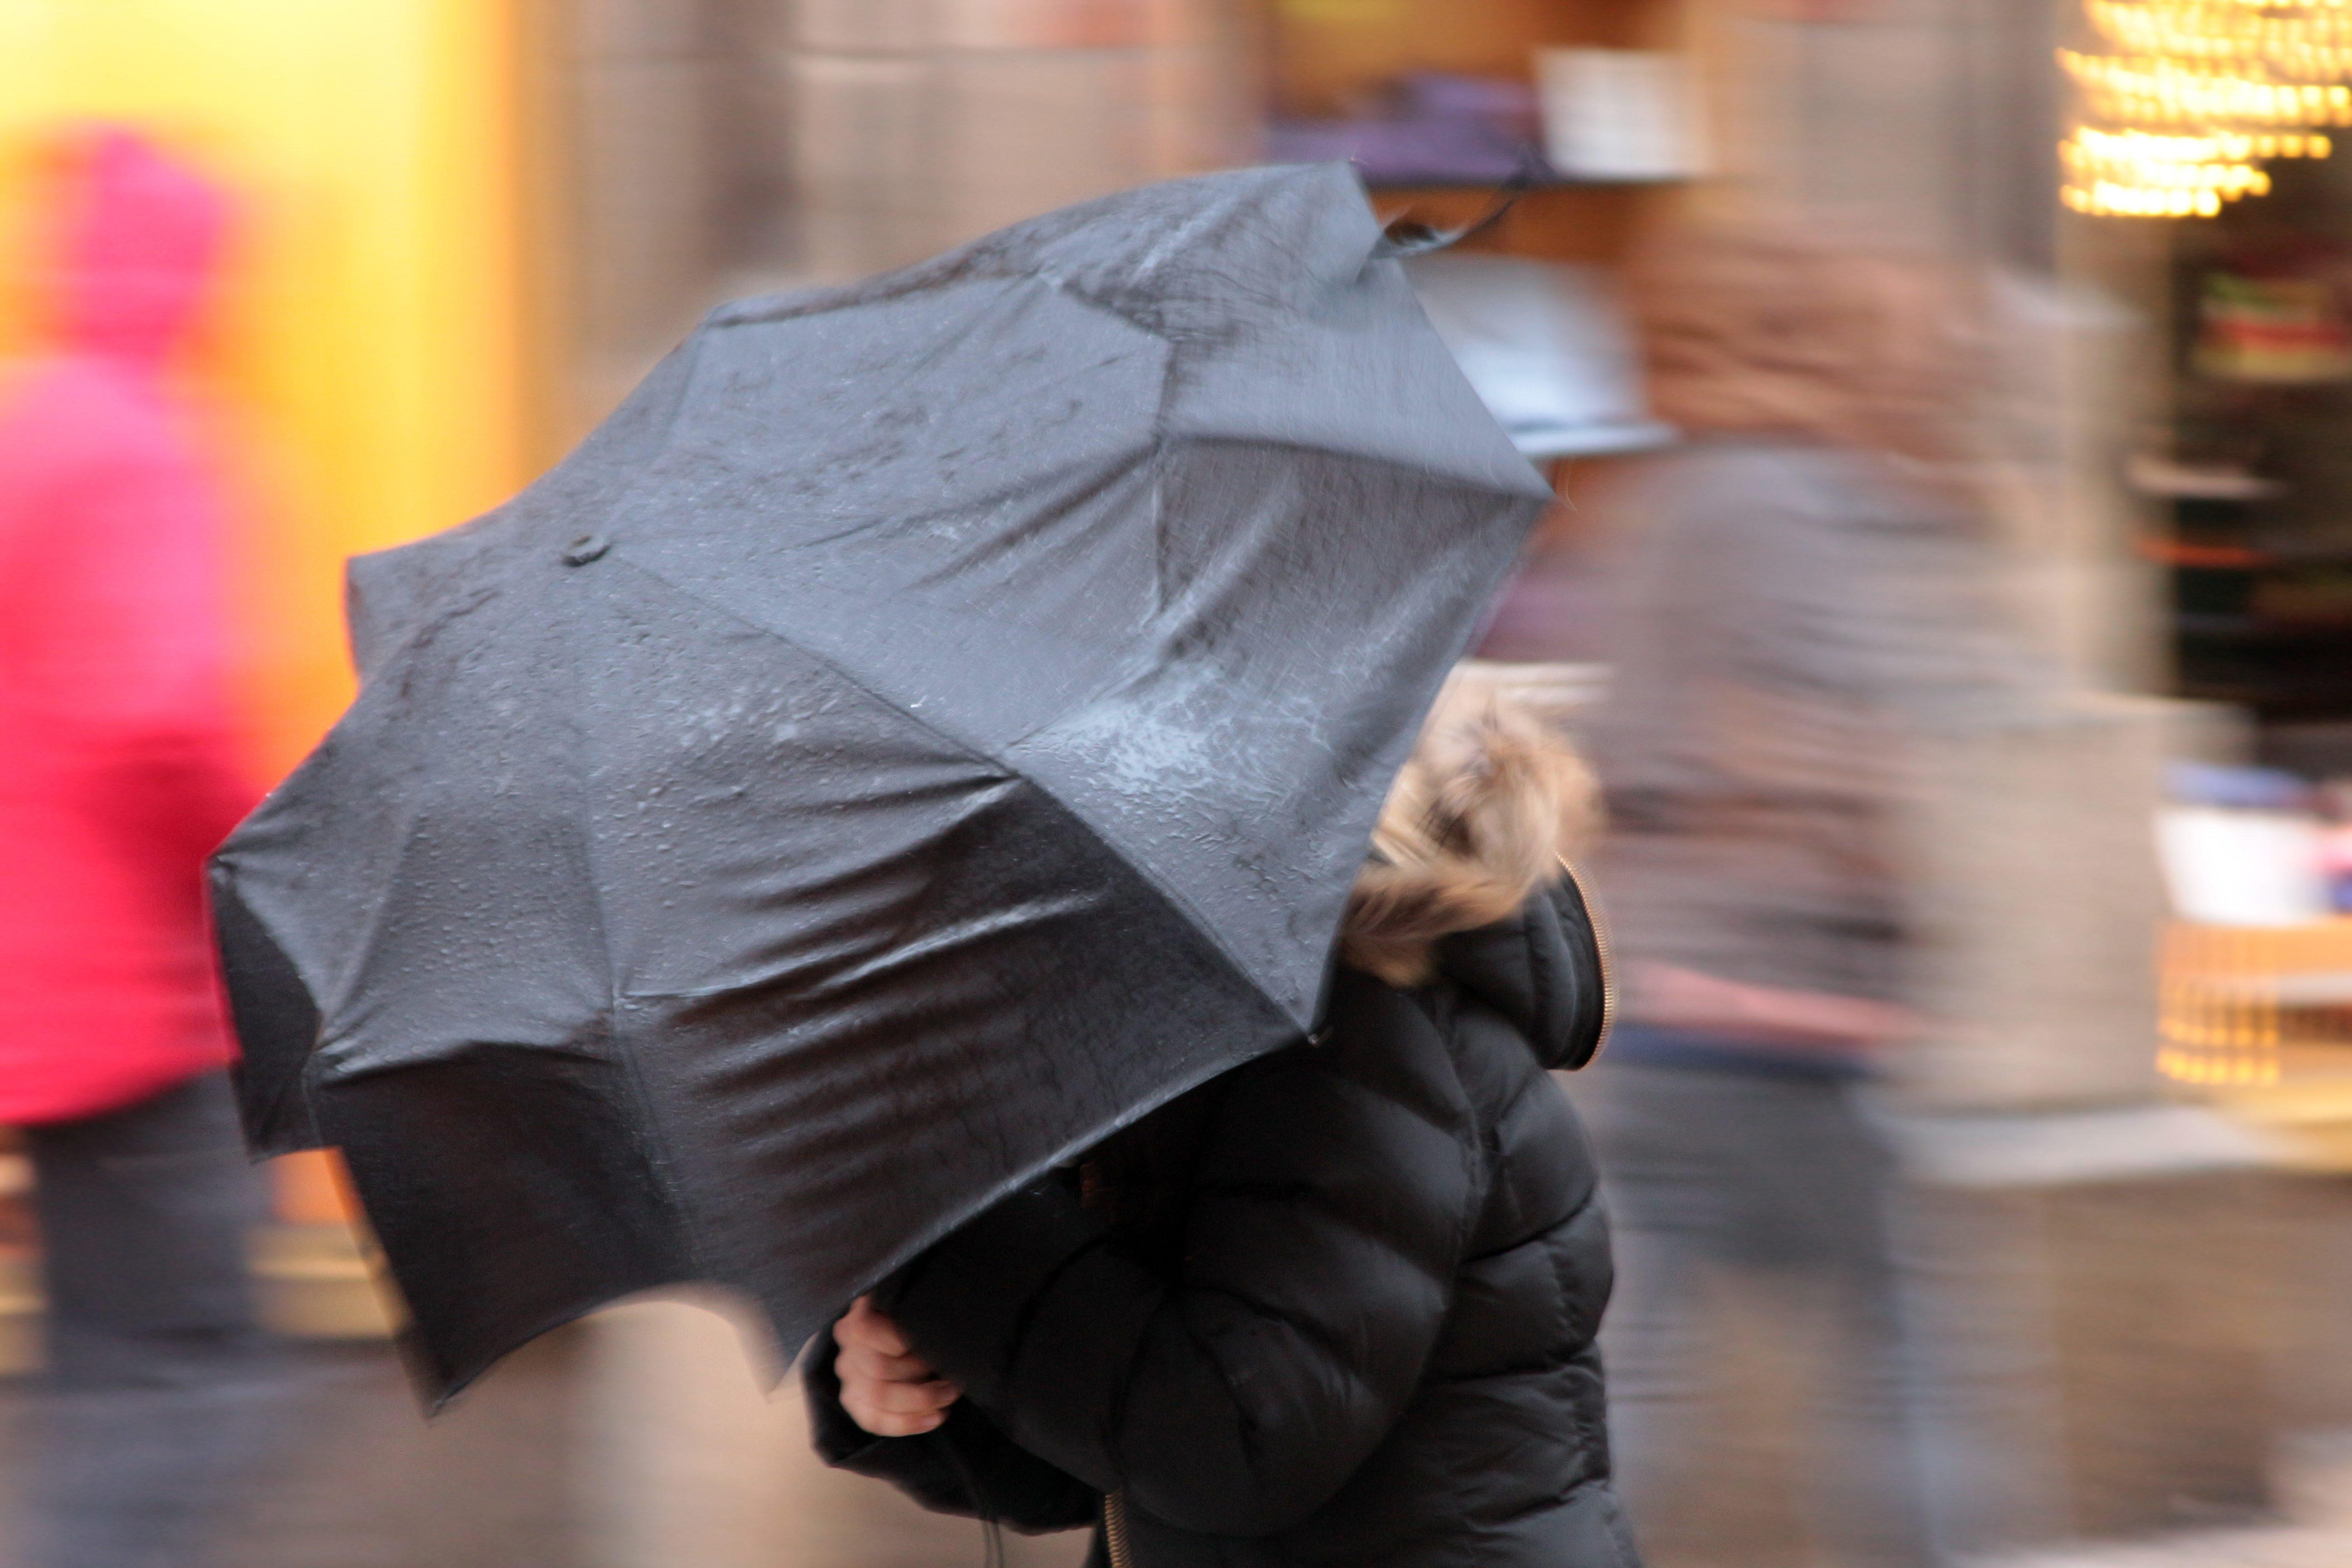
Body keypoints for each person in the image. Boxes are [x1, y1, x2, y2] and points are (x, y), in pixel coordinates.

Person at [802, 673, 1637, 1568]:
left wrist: (945, 1234)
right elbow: (1102, 1455)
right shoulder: (1207, 1008)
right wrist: (925, 1385)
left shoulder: (1358, 1038)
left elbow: (1234, 1445)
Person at [1572, 222, 2040, 1568]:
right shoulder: (1773, 502)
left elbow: (1636, 744)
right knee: (1911, 1358)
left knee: (1642, 1382)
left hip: (1672, 1002)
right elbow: (1773, 738)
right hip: (1776, 1008)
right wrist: (1884, 808)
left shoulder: (1675, 500)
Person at [0, 127, 272, 1568]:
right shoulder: (145, 447)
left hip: (36, 1004)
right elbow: (162, 715)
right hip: (139, 1010)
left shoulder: (25, 422)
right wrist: (269, 853)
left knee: (109, 1364)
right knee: (180, 1377)